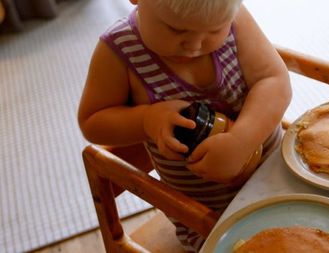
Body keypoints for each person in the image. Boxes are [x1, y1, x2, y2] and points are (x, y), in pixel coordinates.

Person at [77, 0, 291, 251]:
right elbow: (92, 122)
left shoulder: (233, 16)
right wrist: (146, 120)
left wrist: (241, 140)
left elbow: (274, 80)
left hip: (281, 180)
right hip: (210, 218)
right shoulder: (120, 51)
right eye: (176, 30)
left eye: (214, 30)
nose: (195, 45)